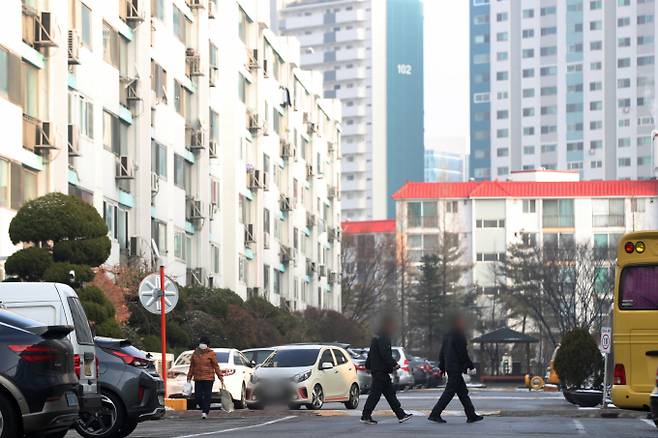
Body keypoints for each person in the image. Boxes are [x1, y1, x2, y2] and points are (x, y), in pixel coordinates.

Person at [428, 313, 483, 424]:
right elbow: (462, 352)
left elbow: (442, 352)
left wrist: (443, 367)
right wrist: (469, 365)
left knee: (462, 392)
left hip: (450, 366)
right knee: (449, 392)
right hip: (455, 367)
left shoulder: (448, 334)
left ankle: (471, 415)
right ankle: (435, 414)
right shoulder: (458, 334)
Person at [361, 315, 412, 425]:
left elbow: (371, 354)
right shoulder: (384, 337)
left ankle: (401, 414)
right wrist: (394, 364)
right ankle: (366, 415)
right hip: (381, 370)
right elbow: (385, 353)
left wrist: (368, 365)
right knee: (375, 395)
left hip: (379, 370)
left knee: (389, 394)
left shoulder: (377, 337)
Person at [187, 336, 224, 419]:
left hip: (208, 378)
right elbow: (192, 366)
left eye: (204, 343)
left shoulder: (211, 353)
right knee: (197, 396)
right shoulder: (195, 353)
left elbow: (216, 366)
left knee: (207, 395)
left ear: (207, 345)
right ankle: (204, 407)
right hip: (198, 378)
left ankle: (205, 412)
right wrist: (189, 377)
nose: (202, 345)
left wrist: (220, 376)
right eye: (201, 343)